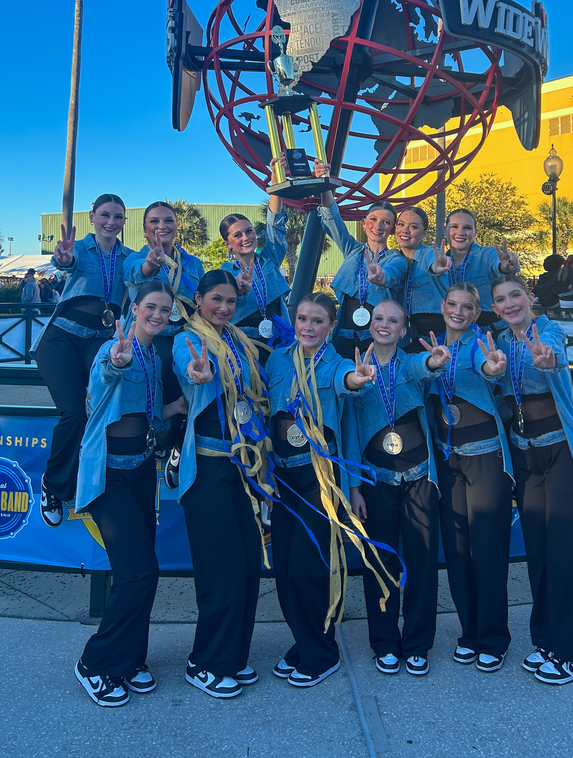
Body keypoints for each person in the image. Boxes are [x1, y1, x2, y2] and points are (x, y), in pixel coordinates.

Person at [73, 282, 182, 708]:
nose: (157, 315)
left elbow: (144, 406)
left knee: (141, 571)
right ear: (134, 309)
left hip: (140, 471)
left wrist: (172, 410)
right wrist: (116, 361)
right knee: (138, 572)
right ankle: (95, 663)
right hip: (108, 477)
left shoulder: (156, 356)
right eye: (150, 307)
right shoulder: (112, 349)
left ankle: (131, 658)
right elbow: (106, 377)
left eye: (165, 310)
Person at [265, 292, 382, 687]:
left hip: (320, 477)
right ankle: (304, 642)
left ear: (331, 327)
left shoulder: (336, 364)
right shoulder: (278, 359)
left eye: (318, 321)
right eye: (302, 319)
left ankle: (322, 653)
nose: (308, 327)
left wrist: (358, 378)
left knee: (309, 566)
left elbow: (346, 383)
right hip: (283, 478)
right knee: (284, 567)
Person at [172, 270, 274, 700]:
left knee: (250, 562)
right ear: (198, 299)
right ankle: (206, 662)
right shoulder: (188, 340)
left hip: (243, 468)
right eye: (216, 299)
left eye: (231, 301)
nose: (225, 308)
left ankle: (231, 655)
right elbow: (191, 367)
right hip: (209, 467)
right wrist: (199, 372)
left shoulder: (237, 338)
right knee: (221, 568)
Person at [489, 274, 573, 684]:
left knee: (566, 552)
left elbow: (555, 355)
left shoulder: (548, 330)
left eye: (516, 295)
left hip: (560, 454)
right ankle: (547, 641)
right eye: (501, 299)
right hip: (525, 455)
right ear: (495, 308)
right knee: (539, 552)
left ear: (529, 298)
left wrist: (549, 362)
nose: (510, 303)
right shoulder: (499, 341)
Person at [344, 300, 450, 676]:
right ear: (368, 325)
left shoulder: (409, 363)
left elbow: (427, 367)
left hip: (420, 476)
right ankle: (385, 642)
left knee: (422, 562)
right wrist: (354, 488)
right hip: (375, 481)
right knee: (379, 563)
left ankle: (418, 642)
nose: (385, 325)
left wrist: (435, 362)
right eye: (378, 319)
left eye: (393, 321)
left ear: (405, 330)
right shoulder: (354, 368)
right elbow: (351, 433)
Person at [430, 283, 513, 672]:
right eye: (452, 305)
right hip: (449, 464)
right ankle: (469, 633)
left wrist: (493, 367)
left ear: (477, 313)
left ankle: (493, 638)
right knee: (458, 551)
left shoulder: (483, 344)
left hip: (485, 460)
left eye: (467, 307)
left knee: (489, 549)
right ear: (443, 306)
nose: (458, 312)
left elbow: (490, 367)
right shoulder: (431, 349)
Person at [34, 195, 131, 528]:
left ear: (123, 222)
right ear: (92, 217)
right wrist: (62, 258)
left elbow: (144, 277)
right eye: (104, 215)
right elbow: (66, 261)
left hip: (98, 342)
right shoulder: (79, 249)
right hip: (61, 340)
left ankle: (86, 480)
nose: (111, 222)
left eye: (118, 217)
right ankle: (53, 484)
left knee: (98, 411)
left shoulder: (128, 258)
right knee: (73, 411)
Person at [123, 201, 205, 484]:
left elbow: (204, 299)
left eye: (168, 220)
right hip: (151, 340)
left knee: (203, 382)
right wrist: (150, 264)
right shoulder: (134, 259)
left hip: (185, 338)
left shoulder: (193, 263)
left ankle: (180, 448)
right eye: (154, 222)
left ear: (177, 226)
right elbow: (136, 273)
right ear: (145, 229)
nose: (162, 226)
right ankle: (160, 441)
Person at [317, 175, 407, 359]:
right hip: (344, 335)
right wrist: (324, 183)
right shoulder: (353, 249)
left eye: (386, 222)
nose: (378, 226)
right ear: (364, 223)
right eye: (373, 219)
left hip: (375, 338)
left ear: (391, 229)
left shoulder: (396, 258)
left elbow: (394, 272)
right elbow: (333, 220)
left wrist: (381, 277)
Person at [219, 159, 293, 361]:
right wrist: (236, 290)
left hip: (277, 341)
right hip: (241, 345)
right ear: (228, 244)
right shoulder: (224, 274)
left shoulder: (270, 259)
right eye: (237, 235)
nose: (246, 238)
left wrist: (277, 183)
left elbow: (275, 226)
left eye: (249, 231)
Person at [433, 209, 519, 328]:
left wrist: (505, 267)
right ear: (445, 230)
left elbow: (498, 264)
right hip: (454, 331)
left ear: (475, 232)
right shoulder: (439, 263)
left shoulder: (486, 254)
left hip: (490, 332)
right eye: (454, 226)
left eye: (467, 228)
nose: (460, 232)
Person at [392, 206, 451, 350]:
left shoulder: (430, 252)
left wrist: (437, 266)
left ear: (424, 234)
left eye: (413, 227)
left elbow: (434, 263)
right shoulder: (392, 258)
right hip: (404, 334)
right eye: (401, 224)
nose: (405, 230)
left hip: (434, 335)